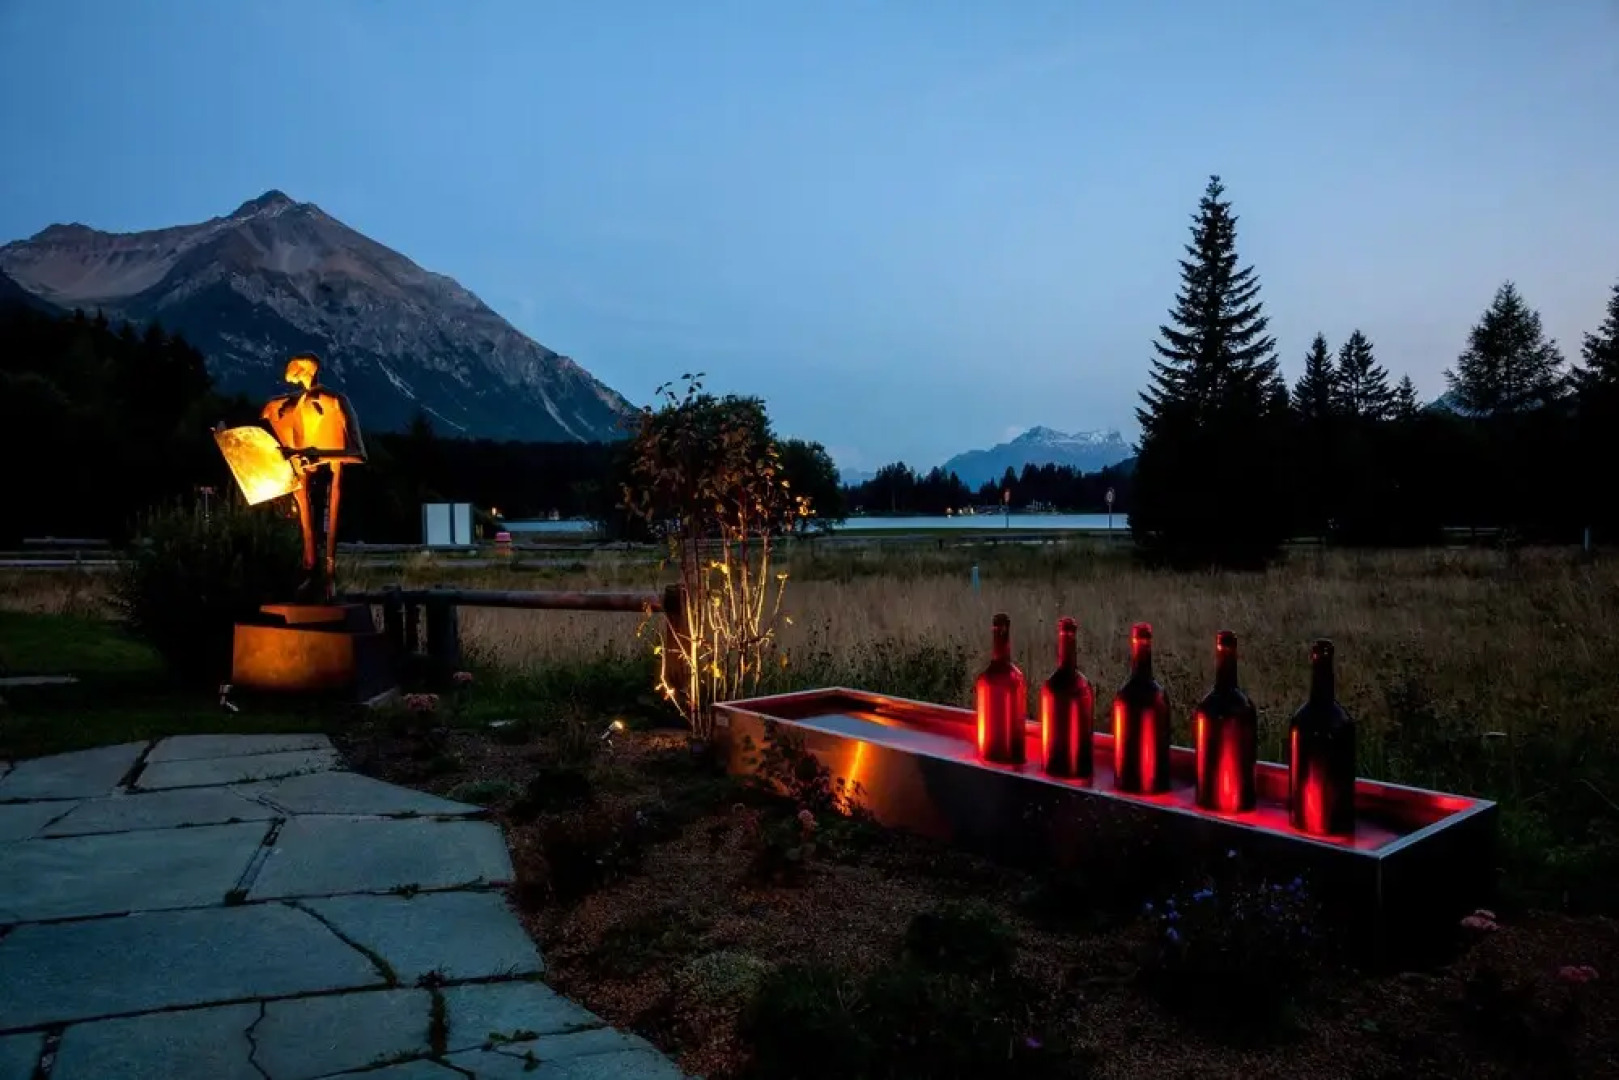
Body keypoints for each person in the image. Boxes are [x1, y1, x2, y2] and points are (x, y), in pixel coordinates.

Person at [259, 353, 366, 599]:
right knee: (303, 494)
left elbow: (357, 452)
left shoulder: (334, 401)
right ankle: (310, 565)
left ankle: (326, 570)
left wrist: (318, 454)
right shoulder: (291, 404)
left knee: (328, 495)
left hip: (328, 470)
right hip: (305, 474)